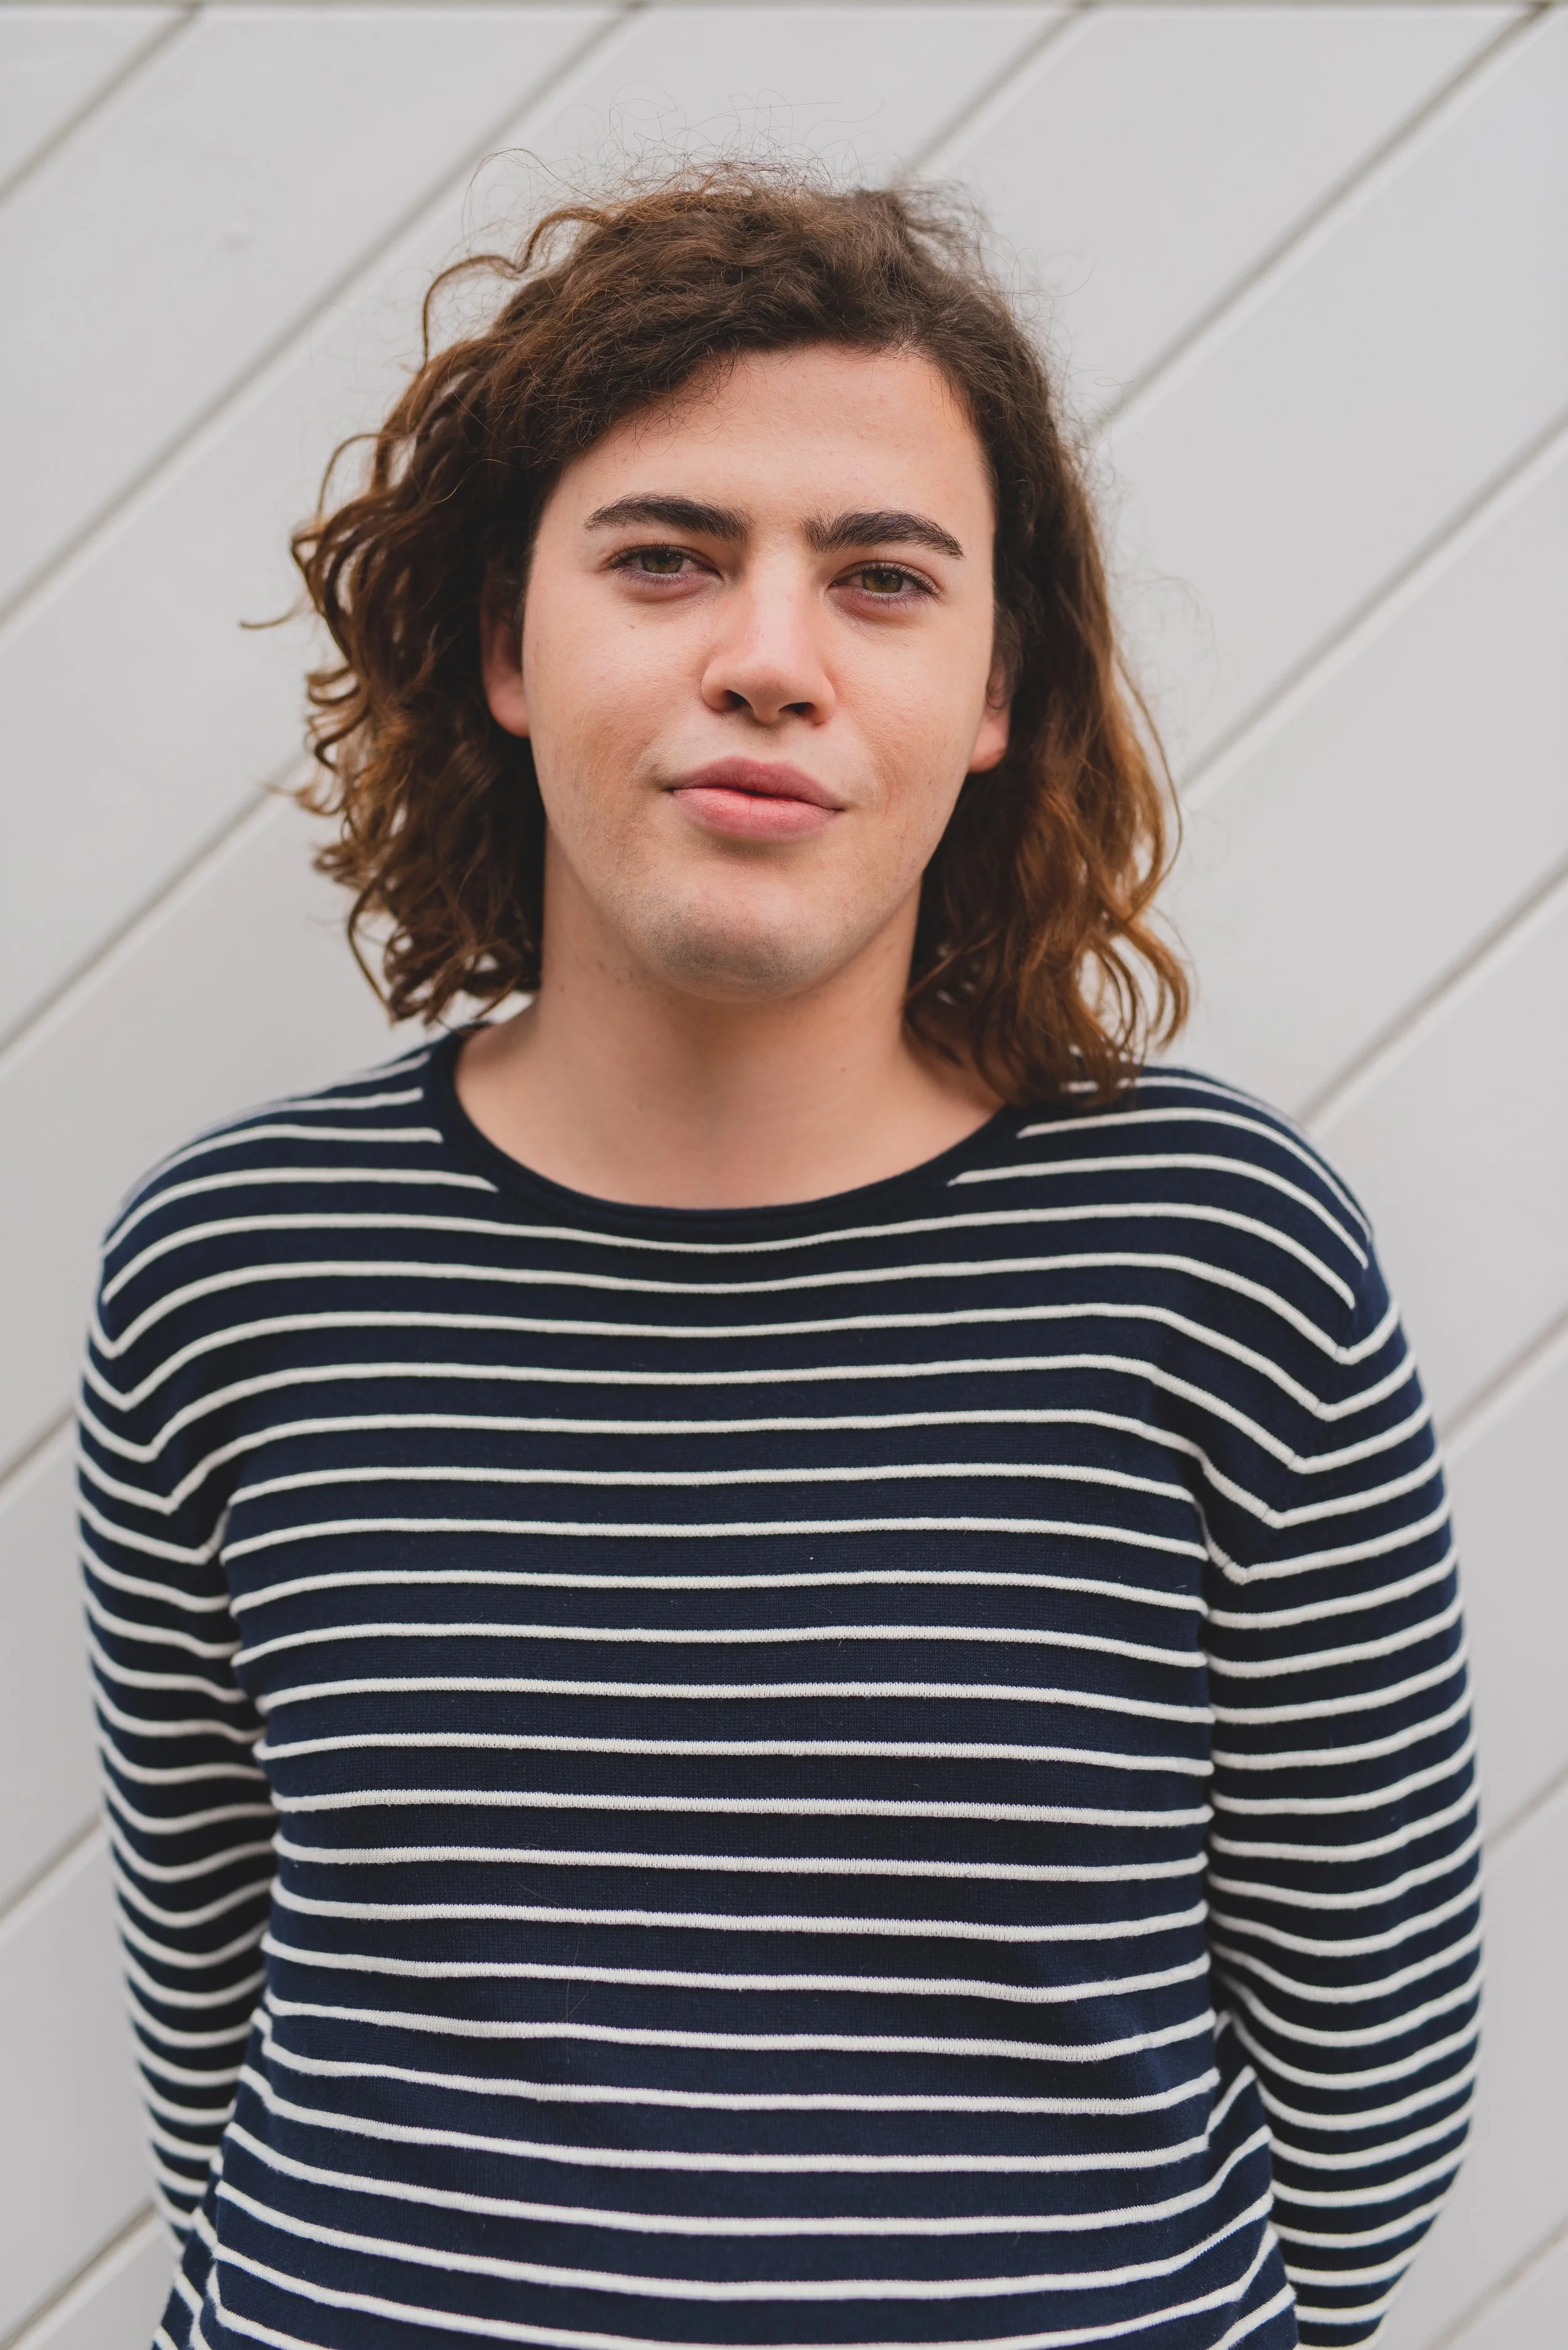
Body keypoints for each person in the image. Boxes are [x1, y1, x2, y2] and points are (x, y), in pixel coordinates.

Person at [80, 171, 1478, 2350]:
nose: (765, 657)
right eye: (663, 557)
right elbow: (214, 1991)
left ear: (994, 690)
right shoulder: (233, 1271)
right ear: (505, 647)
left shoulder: (1219, 1262)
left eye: (880, 578)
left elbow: (1364, 2025)